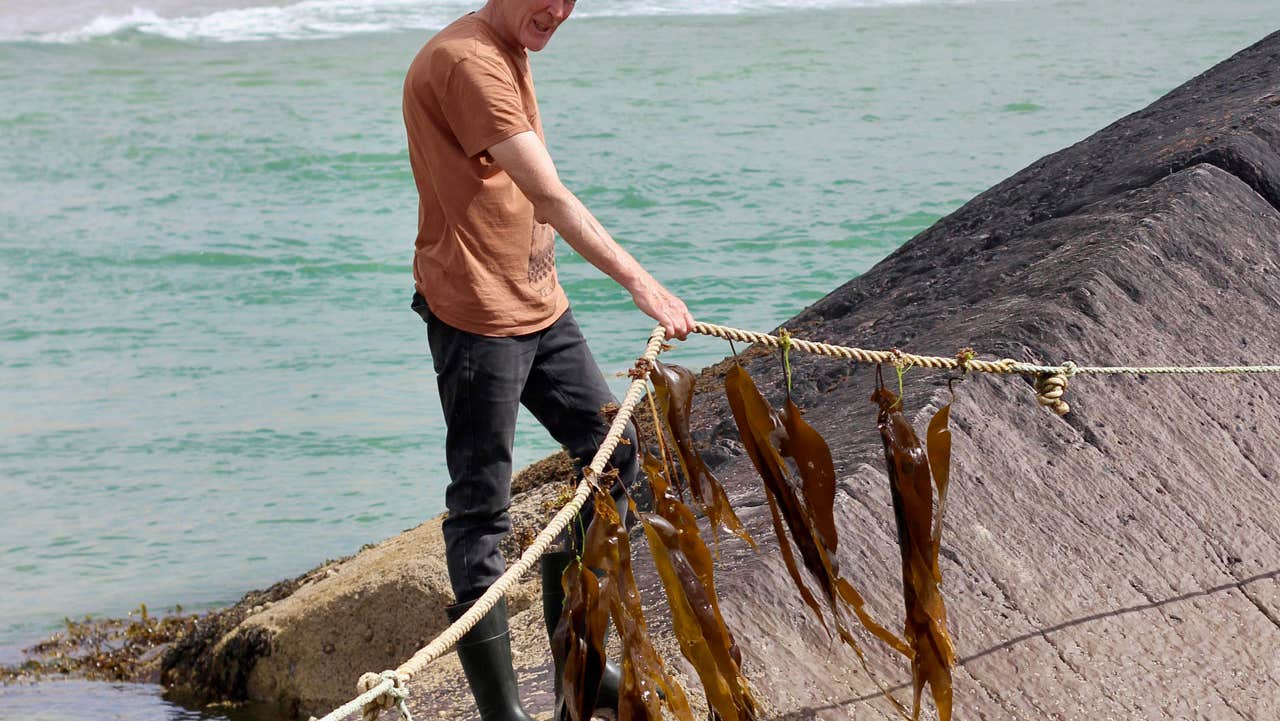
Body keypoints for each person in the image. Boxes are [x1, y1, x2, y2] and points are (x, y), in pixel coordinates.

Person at [402, 1, 695, 719]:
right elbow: (548, 193)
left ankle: (579, 664)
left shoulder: (508, 46)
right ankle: (504, 712)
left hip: (539, 302)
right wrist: (639, 280)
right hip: (476, 317)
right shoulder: (469, 63)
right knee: (481, 506)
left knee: (616, 453)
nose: (559, 10)